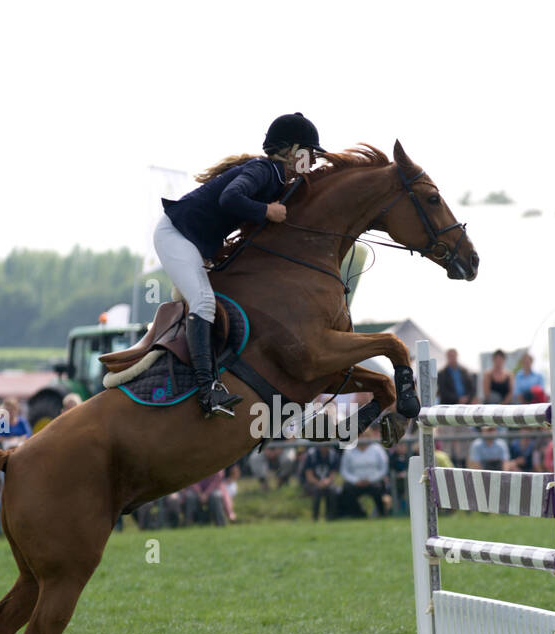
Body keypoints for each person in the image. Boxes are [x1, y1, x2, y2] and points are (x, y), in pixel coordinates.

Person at [155, 113, 323, 418]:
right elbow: (230, 199)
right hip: (176, 236)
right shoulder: (263, 170)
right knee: (204, 301)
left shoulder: (277, 177)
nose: (312, 162)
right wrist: (266, 211)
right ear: (293, 150)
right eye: (310, 154)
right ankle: (208, 390)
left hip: (192, 241)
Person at [337, 432, 390, 518]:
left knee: (379, 488)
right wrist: (355, 481)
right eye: (360, 436)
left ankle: (381, 514)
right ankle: (358, 514)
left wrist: (371, 480)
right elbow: (344, 471)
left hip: (374, 482)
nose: (362, 439)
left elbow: (384, 468)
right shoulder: (349, 450)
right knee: (346, 490)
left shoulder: (377, 449)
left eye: (365, 436)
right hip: (355, 483)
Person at [301, 444, 341, 521]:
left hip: (327, 483)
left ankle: (331, 517)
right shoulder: (311, 454)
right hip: (312, 483)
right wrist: (318, 483)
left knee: (333, 490)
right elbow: (308, 476)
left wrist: (327, 481)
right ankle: (315, 517)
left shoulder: (333, 455)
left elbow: (333, 474)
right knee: (317, 490)